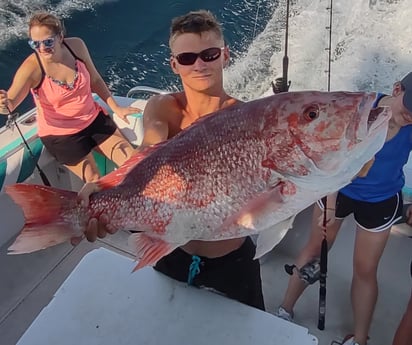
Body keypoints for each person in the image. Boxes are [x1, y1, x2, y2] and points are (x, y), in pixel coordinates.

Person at [76, 10, 265, 311]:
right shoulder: (163, 108)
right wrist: (104, 186)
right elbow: (148, 153)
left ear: (225, 55)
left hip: (231, 258)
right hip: (171, 251)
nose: (200, 64)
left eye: (209, 54)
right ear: (174, 65)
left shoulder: (246, 118)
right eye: (188, 58)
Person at [275, 72, 412, 345]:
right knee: (315, 249)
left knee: (364, 269)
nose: (411, 116)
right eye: (410, 107)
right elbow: (331, 156)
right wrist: (330, 205)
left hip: (381, 199)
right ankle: (284, 311)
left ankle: (359, 339)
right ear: (397, 89)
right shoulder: (357, 109)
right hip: (337, 187)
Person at [0, 12, 140, 182]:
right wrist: (4, 102)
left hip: (93, 120)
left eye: (48, 42)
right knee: (94, 179)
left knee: (134, 162)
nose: (42, 48)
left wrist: (116, 107)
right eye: (35, 44)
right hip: (62, 136)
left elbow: (94, 79)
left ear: (60, 37)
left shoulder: (76, 46)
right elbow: (11, 103)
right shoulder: (32, 68)